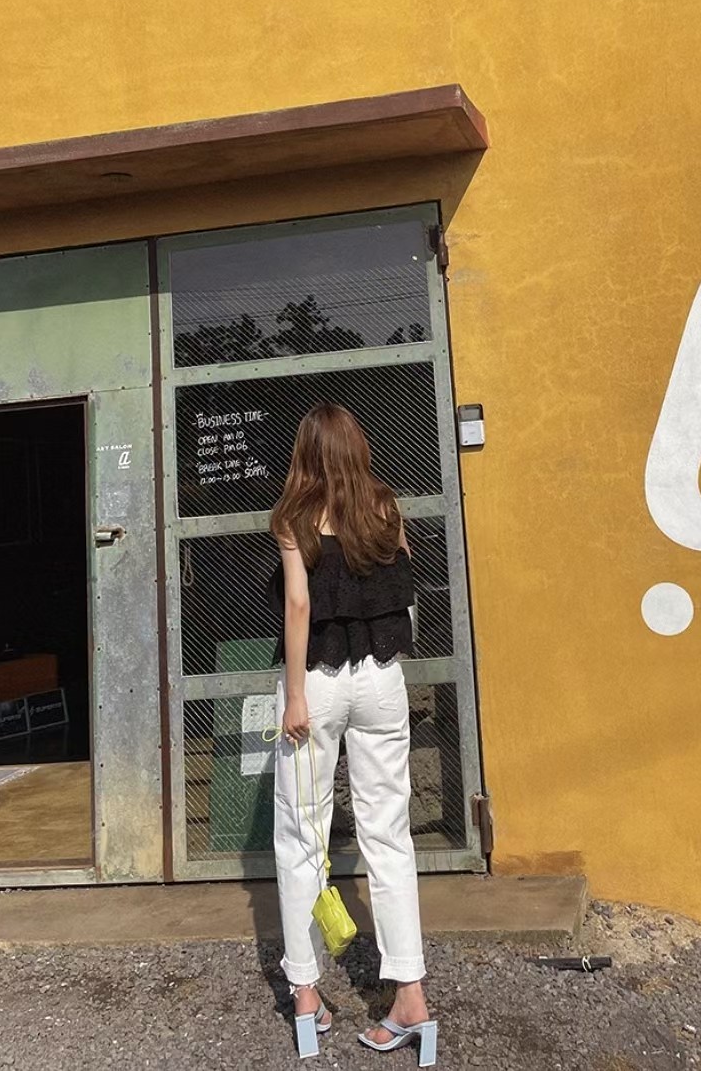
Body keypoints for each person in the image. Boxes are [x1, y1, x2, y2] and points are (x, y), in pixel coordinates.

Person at [269, 402, 437, 1065]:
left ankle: (306, 994)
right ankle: (410, 997)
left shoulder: (292, 517)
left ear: (306, 452)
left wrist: (296, 695)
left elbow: (299, 603)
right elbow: (403, 587)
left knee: (302, 834)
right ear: (358, 447)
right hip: (381, 680)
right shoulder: (386, 508)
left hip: (318, 681)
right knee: (388, 833)